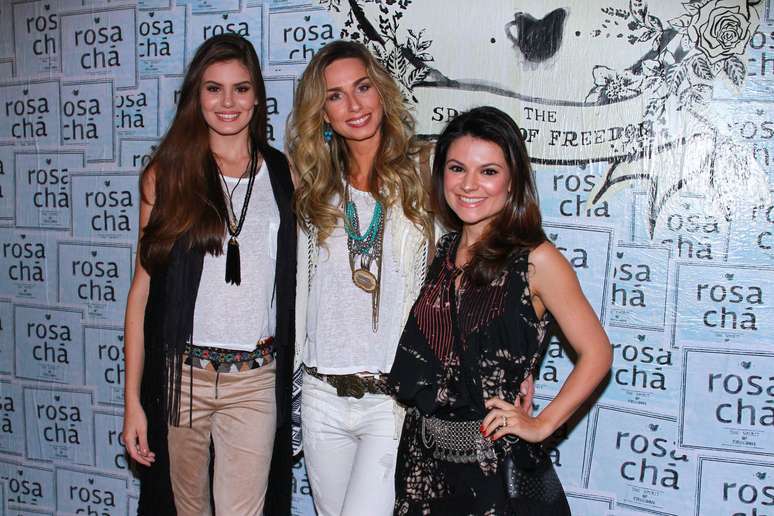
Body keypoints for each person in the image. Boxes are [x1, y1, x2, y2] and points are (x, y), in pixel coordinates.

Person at [390, 106, 612, 515]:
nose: (470, 184)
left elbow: (597, 352)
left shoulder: (536, 260)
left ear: (512, 182)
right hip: (424, 465)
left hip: (493, 469)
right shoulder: (443, 252)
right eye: (457, 168)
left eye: (488, 171)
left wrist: (543, 424)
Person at [122, 34, 296, 516]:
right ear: (196, 96)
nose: (228, 102)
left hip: (255, 381)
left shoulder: (282, 176)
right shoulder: (167, 175)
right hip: (183, 379)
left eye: (240, 89)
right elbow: (141, 296)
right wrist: (132, 402)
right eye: (213, 88)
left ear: (257, 95)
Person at [286, 40, 434, 516]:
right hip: (321, 395)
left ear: (381, 92)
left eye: (362, 87)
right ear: (322, 113)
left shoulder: (426, 171)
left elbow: (490, 257)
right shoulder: (310, 188)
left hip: (389, 401)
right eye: (335, 96)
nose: (354, 105)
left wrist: (520, 367)